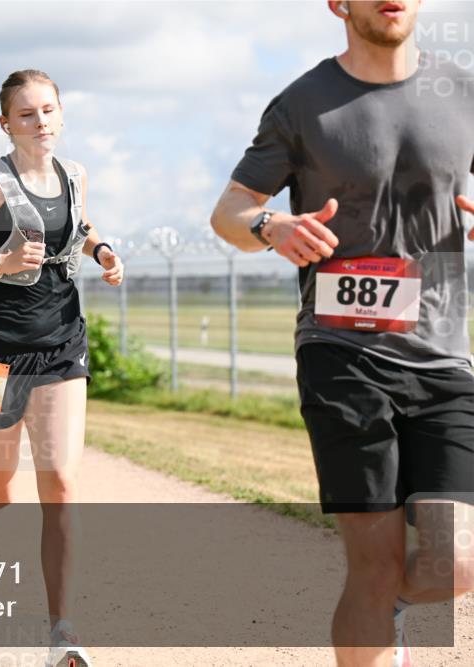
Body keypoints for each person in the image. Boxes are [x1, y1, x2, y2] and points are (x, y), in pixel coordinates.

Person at [210, 3, 474, 666]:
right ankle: (375, 597)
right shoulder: (303, 103)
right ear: (338, 3)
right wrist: (274, 228)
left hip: (443, 356)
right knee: (372, 559)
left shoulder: (462, 92)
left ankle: (385, 598)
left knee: (457, 561)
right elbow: (230, 210)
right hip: (341, 353)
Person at [0, 69, 123, 667]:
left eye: (49, 110)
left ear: (62, 115)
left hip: (62, 345)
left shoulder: (75, 174)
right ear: (5, 123)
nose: (41, 122)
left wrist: (102, 249)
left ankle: (63, 631)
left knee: (60, 482)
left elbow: (78, 226)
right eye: (27, 113)